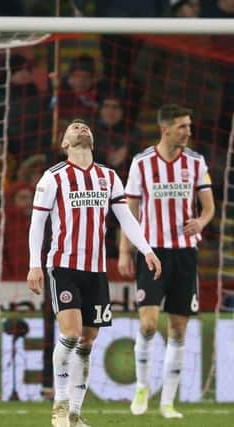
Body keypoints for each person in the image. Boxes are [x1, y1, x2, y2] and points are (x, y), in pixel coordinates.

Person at [27, 119, 161, 427]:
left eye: (84, 126)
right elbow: (38, 224)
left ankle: (74, 413)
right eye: (73, 127)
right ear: (64, 143)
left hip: (97, 270)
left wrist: (147, 250)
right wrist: (35, 263)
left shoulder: (109, 177)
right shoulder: (53, 178)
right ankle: (59, 409)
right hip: (63, 266)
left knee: (88, 341)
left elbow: (125, 217)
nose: (80, 128)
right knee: (71, 334)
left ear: (93, 139)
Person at [118, 104, 215, 419]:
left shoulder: (196, 163)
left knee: (178, 328)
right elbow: (128, 212)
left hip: (185, 254)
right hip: (152, 252)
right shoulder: (142, 163)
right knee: (148, 324)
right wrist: (124, 252)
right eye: (183, 126)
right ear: (166, 129)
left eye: (189, 126)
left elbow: (208, 207)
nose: (188, 131)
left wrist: (201, 222)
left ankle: (168, 403)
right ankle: (142, 387)